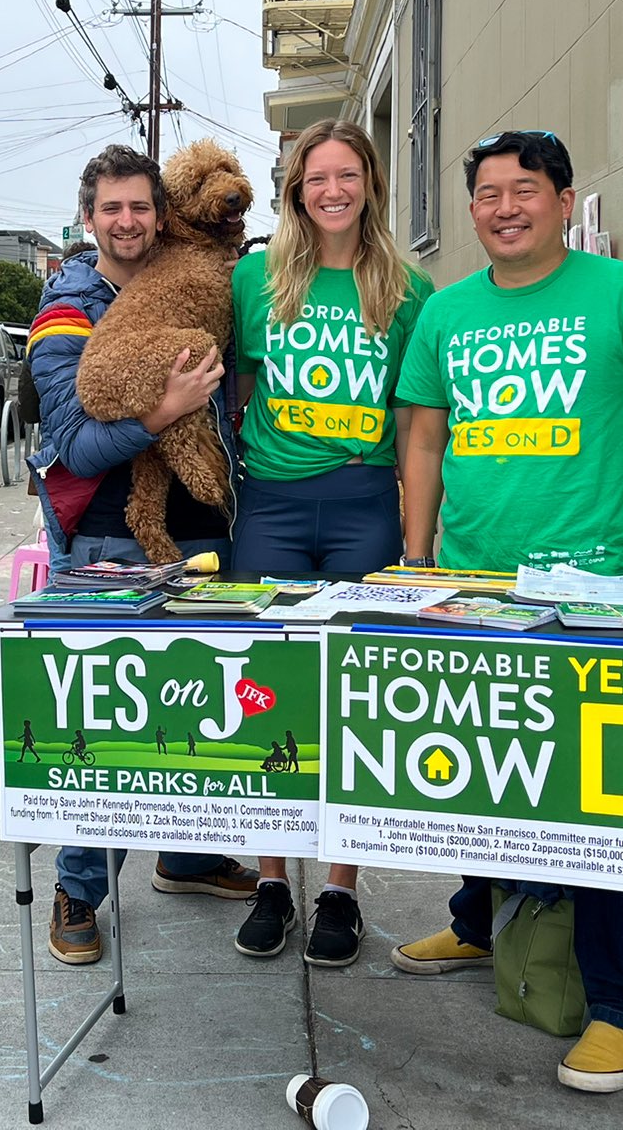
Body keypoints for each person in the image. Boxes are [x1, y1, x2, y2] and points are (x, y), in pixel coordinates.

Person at [390, 129, 623, 1096]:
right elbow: (422, 444)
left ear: (566, 200)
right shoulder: (447, 313)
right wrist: (416, 562)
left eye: (525, 190)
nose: (506, 208)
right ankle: (476, 923)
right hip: (471, 582)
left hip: (589, 587)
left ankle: (622, 1008)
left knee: (603, 802)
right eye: (488, 194)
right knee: (472, 769)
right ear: (470, 212)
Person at [27, 143, 256, 965]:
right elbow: (76, 447)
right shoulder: (67, 309)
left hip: (200, 525)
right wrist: (165, 412)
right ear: (88, 220)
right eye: (111, 209)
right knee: (109, 722)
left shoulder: (198, 275)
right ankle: (78, 887)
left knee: (199, 707)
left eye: (140, 207)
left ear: (161, 213)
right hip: (103, 536)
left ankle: (187, 853)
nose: (128, 222)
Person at [226, 120, 433, 968]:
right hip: (271, 502)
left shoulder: (410, 289)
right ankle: (274, 878)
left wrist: (418, 537)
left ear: (371, 183)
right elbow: (242, 386)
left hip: (363, 503)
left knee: (356, 695)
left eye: (348, 175)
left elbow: (422, 416)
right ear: (295, 189)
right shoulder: (254, 277)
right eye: (317, 178)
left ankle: (340, 887)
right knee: (266, 688)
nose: (333, 190)